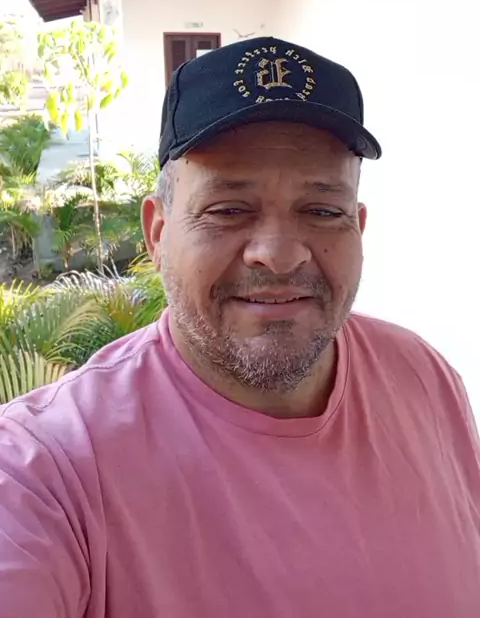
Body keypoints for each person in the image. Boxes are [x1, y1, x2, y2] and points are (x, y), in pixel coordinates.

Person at [0, 36, 479, 617]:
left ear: (358, 225)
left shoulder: (424, 380)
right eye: (228, 210)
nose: (278, 255)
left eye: (322, 211)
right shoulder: (46, 470)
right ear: (158, 233)